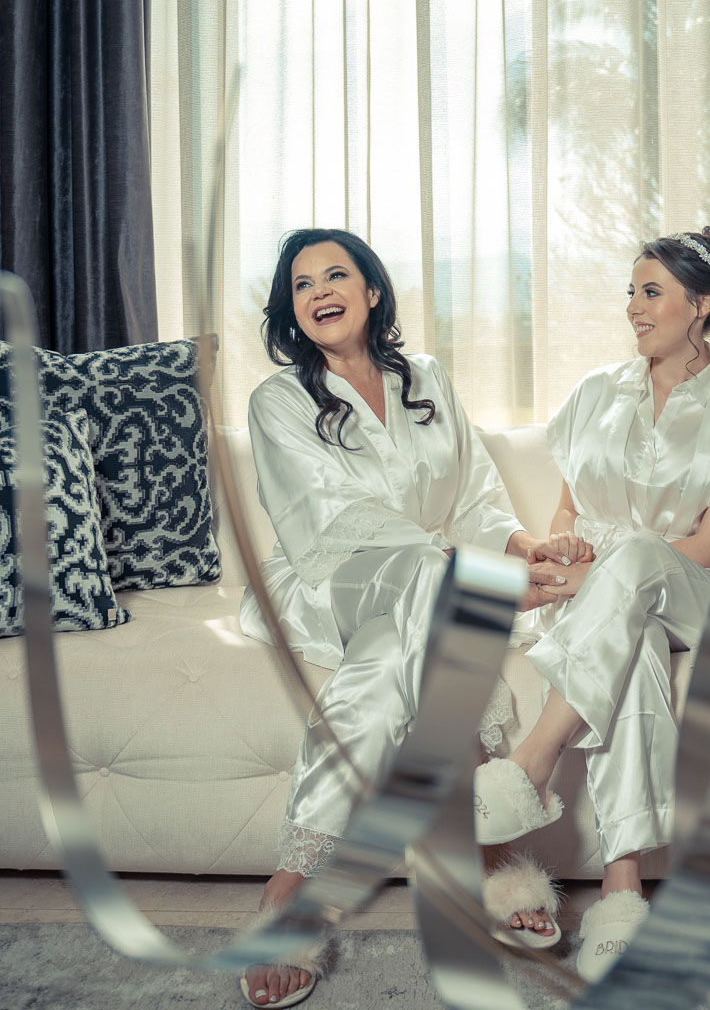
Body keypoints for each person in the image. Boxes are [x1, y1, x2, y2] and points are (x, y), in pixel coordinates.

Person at [237, 228, 560, 1008]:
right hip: (330, 580)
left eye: (335, 275)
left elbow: (474, 498)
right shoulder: (278, 401)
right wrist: (465, 573)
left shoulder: (427, 379)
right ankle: (486, 847)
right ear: (291, 308)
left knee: (386, 673)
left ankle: (290, 886)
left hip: (425, 592)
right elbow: (327, 517)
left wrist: (527, 548)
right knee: (427, 572)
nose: (319, 292)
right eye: (302, 284)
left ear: (371, 290)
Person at [472, 226, 710, 981]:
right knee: (633, 641)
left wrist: (598, 575)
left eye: (651, 292)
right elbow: (566, 512)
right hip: (602, 603)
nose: (633, 308)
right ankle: (623, 894)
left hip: (692, 594)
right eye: (631, 292)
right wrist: (566, 547)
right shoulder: (595, 392)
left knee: (645, 560)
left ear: (700, 303)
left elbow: (707, 551)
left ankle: (532, 761)